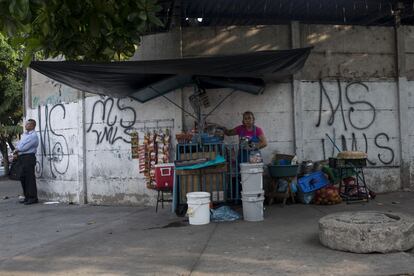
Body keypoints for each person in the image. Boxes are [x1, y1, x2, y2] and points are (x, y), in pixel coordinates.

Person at [14, 119, 39, 205]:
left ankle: (33, 198)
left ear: (32, 126)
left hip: (29, 157)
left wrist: (17, 150)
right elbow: (19, 144)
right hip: (22, 158)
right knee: (23, 177)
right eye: (26, 124)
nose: (26, 125)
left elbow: (24, 147)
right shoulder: (24, 135)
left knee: (29, 179)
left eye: (28, 124)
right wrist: (17, 150)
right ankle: (27, 196)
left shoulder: (33, 136)